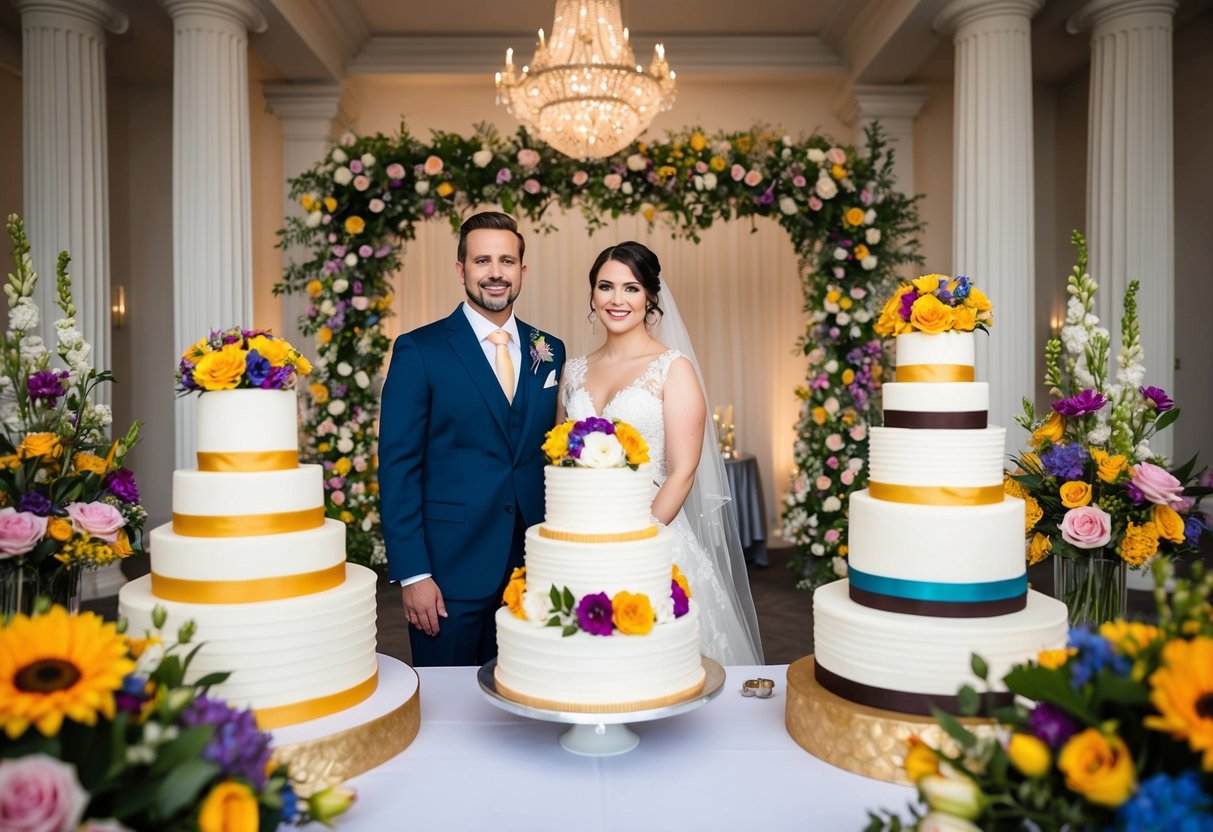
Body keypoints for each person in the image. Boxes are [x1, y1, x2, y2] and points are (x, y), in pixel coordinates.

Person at [558, 241, 764, 665]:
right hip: (583, 534)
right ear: (592, 295)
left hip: (651, 532)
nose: (617, 300)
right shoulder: (573, 370)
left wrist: (638, 540)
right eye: (606, 287)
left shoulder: (673, 368)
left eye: (631, 288)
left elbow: (683, 471)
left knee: (660, 664)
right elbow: (561, 457)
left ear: (650, 296)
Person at [379, 211, 565, 667]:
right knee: (450, 708)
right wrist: (414, 574)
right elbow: (398, 467)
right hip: (448, 572)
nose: (496, 273)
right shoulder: (419, 350)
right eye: (483, 261)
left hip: (533, 570)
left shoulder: (551, 349)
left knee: (527, 697)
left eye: (507, 260)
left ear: (523, 269)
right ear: (461, 269)